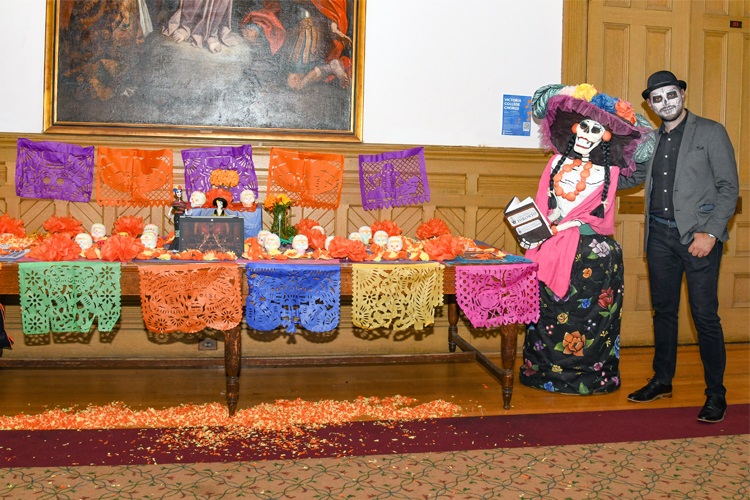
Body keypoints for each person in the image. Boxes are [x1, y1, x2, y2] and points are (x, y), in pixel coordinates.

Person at [618, 71, 739, 423]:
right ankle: (662, 380)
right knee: (664, 312)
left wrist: (711, 233)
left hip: (698, 238)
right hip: (659, 238)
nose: (665, 103)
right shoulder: (652, 139)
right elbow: (635, 176)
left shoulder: (711, 132)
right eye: (657, 99)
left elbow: (729, 188)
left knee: (705, 317)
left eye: (671, 95)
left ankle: (716, 394)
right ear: (651, 105)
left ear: (683, 94)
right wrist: (597, 172)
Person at [519, 84, 653, 395]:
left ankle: (590, 378)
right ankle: (541, 373)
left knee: (590, 318)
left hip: (592, 256)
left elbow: (647, 148)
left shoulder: (612, 171)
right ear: (575, 128)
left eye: (598, 129)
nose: (588, 133)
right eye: (585, 126)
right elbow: (542, 208)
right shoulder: (554, 164)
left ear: (605, 136)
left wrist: (622, 109)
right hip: (550, 248)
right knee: (549, 314)